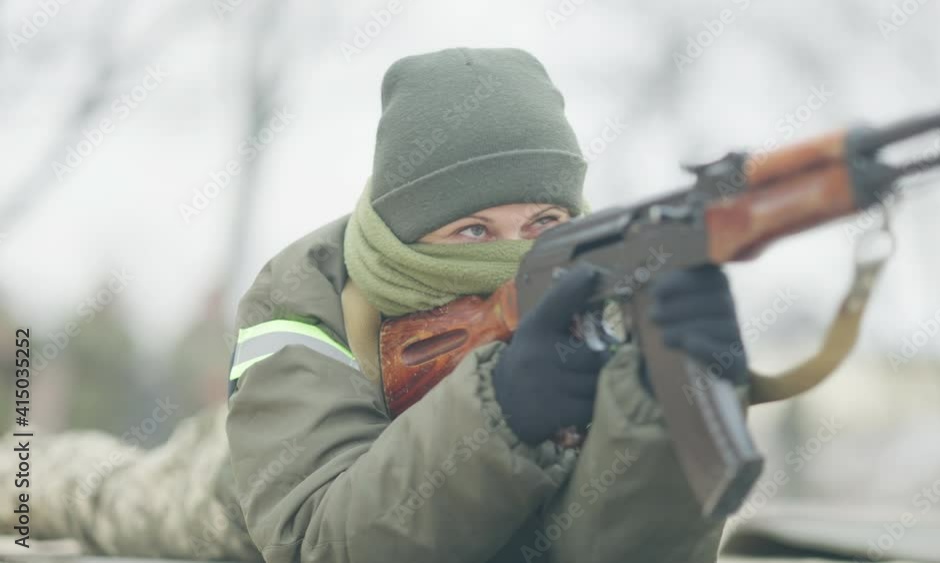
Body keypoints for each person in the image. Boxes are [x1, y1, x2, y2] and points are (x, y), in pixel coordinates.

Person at [1, 47, 746, 563]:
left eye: (544, 224)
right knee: (87, 488)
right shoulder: (307, 297)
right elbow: (317, 539)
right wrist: (504, 409)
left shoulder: (599, 300)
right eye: (474, 230)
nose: (511, 254)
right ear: (410, 231)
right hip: (242, 487)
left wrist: (663, 404)